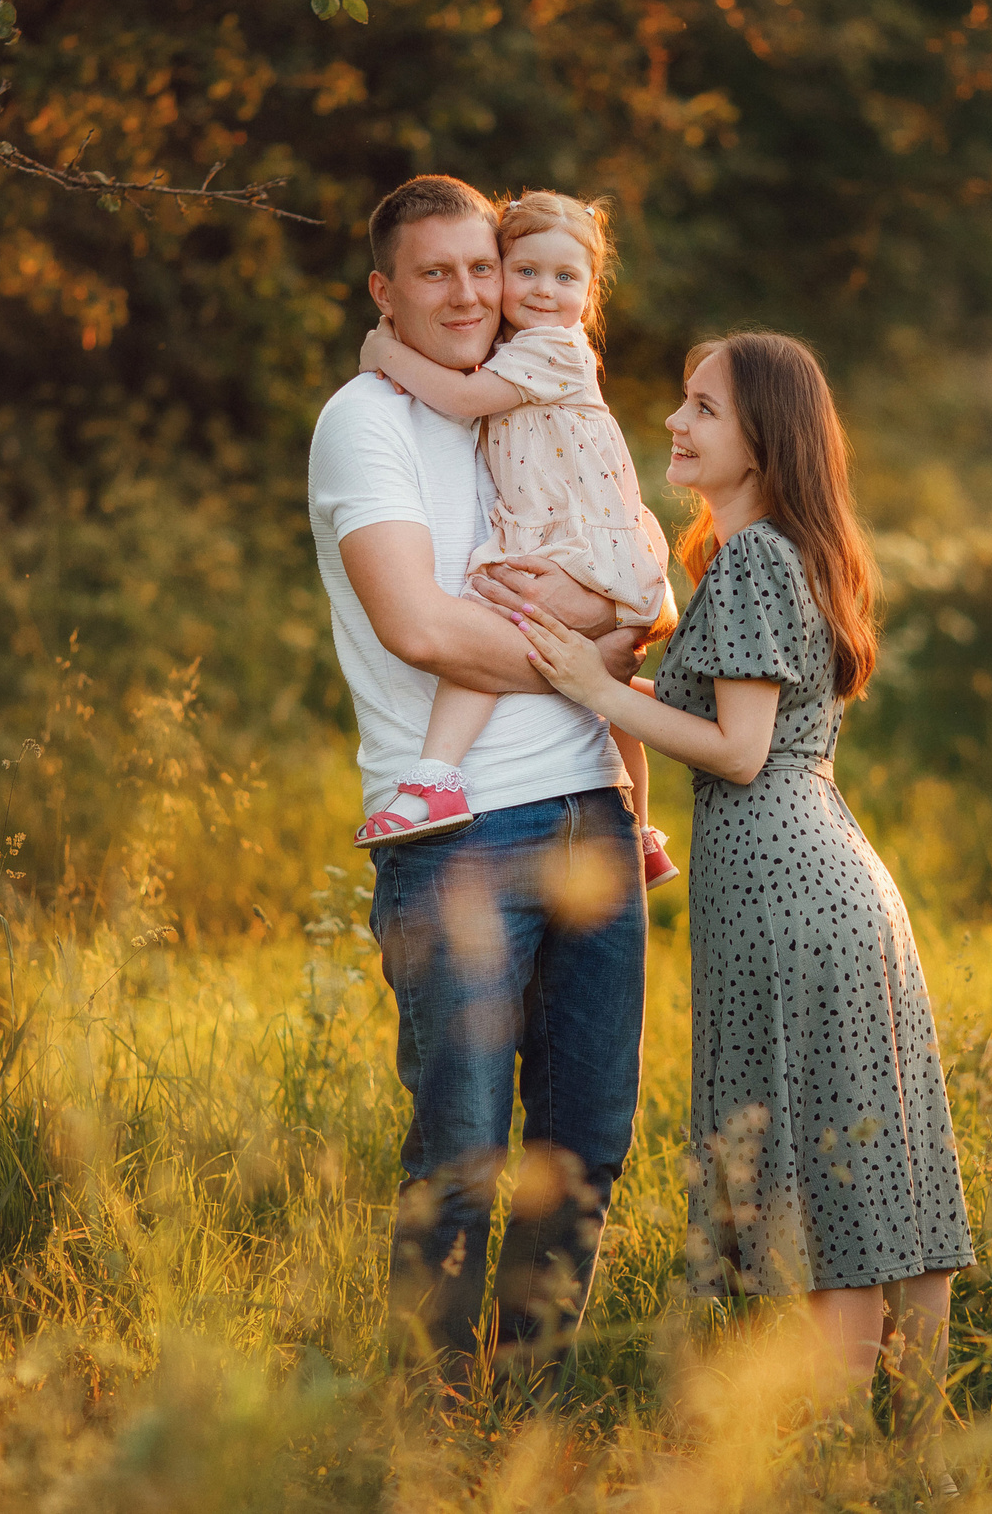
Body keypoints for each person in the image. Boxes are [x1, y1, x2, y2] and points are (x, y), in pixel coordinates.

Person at [516, 331, 976, 1441]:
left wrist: (589, 686)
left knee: (828, 1185)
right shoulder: (755, 553)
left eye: (702, 407)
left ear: (764, 437)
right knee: (879, 1169)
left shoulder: (763, 557)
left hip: (789, 891)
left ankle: (838, 1459)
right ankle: (912, 1456)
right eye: (682, 401)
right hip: (820, 878)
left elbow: (736, 749)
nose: (676, 422)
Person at [304, 174, 650, 1389]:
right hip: (457, 834)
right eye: (435, 272)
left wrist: (607, 673)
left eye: (480, 267)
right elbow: (422, 629)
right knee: (458, 1149)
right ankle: (428, 1420)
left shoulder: (519, 402)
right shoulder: (369, 418)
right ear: (383, 292)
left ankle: (530, 1400)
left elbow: (611, 574)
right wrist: (598, 662)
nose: (467, 293)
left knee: (587, 1142)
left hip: (592, 814)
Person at [349, 190, 681, 894]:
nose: (541, 291)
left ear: (591, 293)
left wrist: (382, 348)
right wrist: (596, 651)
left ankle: (437, 772)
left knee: (494, 609)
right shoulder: (505, 358)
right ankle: (646, 831)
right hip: (578, 535)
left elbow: (463, 399)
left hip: (572, 537)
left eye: (567, 279)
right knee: (610, 688)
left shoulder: (556, 351)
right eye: (524, 272)